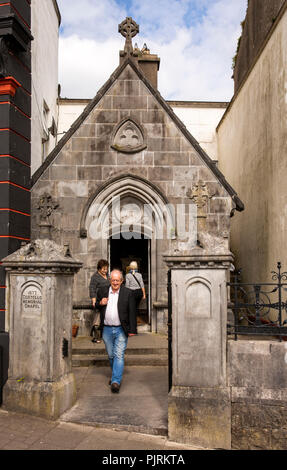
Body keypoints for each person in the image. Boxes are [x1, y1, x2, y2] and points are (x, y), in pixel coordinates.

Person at [96, 269, 136, 393]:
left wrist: (132, 329)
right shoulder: (103, 291)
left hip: (121, 329)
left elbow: (132, 312)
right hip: (106, 329)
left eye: (117, 280)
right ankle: (115, 375)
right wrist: (100, 303)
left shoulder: (128, 293)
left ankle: (115, 382)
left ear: (121, 281)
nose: (115, 282)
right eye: (113, 280)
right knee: (111, 355)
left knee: (119, 355)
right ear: (110, 280)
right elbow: (96, 306)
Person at [89, 259, 110, 343]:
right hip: (99, 299)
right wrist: (94, 300)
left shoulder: (108, 275)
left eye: (106, 269)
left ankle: (104, 335)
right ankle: (95, 337)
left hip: (107, 299)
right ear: (99, 268)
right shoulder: (95, 277)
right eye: (103, 269)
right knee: (98, 317)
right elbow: (92, 288)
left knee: (105, 316)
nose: (105, 271)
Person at [125, 261, 146, 333]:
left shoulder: (127, 275)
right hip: (139, 293)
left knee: (131, 311)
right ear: (136, 267)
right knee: (134, 309)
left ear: (130, 267)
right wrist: (144, 294)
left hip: (131, 293)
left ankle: (133, 330)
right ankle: (133, 327)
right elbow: (142, 285)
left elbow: (127, 286)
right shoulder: (139, 275)